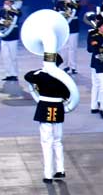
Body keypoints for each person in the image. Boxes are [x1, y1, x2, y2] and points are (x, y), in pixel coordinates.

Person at [25, 55, 71, 183]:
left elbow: (28, 76)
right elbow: (68, 93)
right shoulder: (63, 77)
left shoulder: (41, 75)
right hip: (58, 108)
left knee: (46, 142)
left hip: (45, 107)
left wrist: (42, 69)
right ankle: (60, 169)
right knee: (57, 141)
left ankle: (48, 174)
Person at [55, 0, 81, 74]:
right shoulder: (59, 2)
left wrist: (71, 2)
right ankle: (65, 66)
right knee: (64, 48)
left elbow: (78, 9)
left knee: (73, 48)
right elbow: (56, 12)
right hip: (64, 28)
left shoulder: (75, 3)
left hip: (73, 27)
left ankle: (73, 67)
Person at [0, 0, 22, 81]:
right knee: (5, 56)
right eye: (5, 2)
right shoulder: (1, 11)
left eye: (8, 2)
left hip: (13, 36)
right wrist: (0, 25)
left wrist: (11, 9)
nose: (6, 3)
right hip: (4, 36)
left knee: (13, 56)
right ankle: (8, 74)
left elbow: (19, 14)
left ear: (12, 3)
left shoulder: (15, 11)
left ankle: (14, 74)